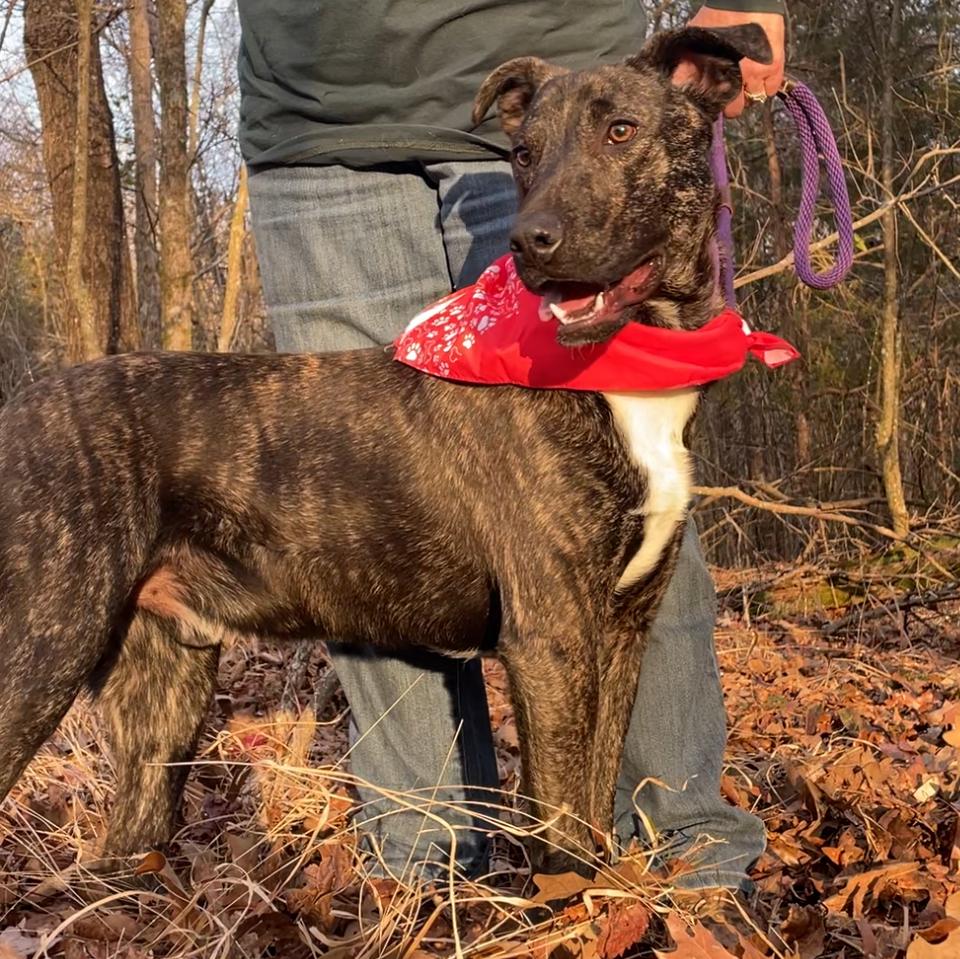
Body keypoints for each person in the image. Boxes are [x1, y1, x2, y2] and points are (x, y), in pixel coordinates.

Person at [238, 0, 785, 891]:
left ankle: (685, 863)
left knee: (634, 513)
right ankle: (431, 881)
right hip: (319, 116)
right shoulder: (527, 143)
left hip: (558, 53)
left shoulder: (626, 105)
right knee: (374, 532)